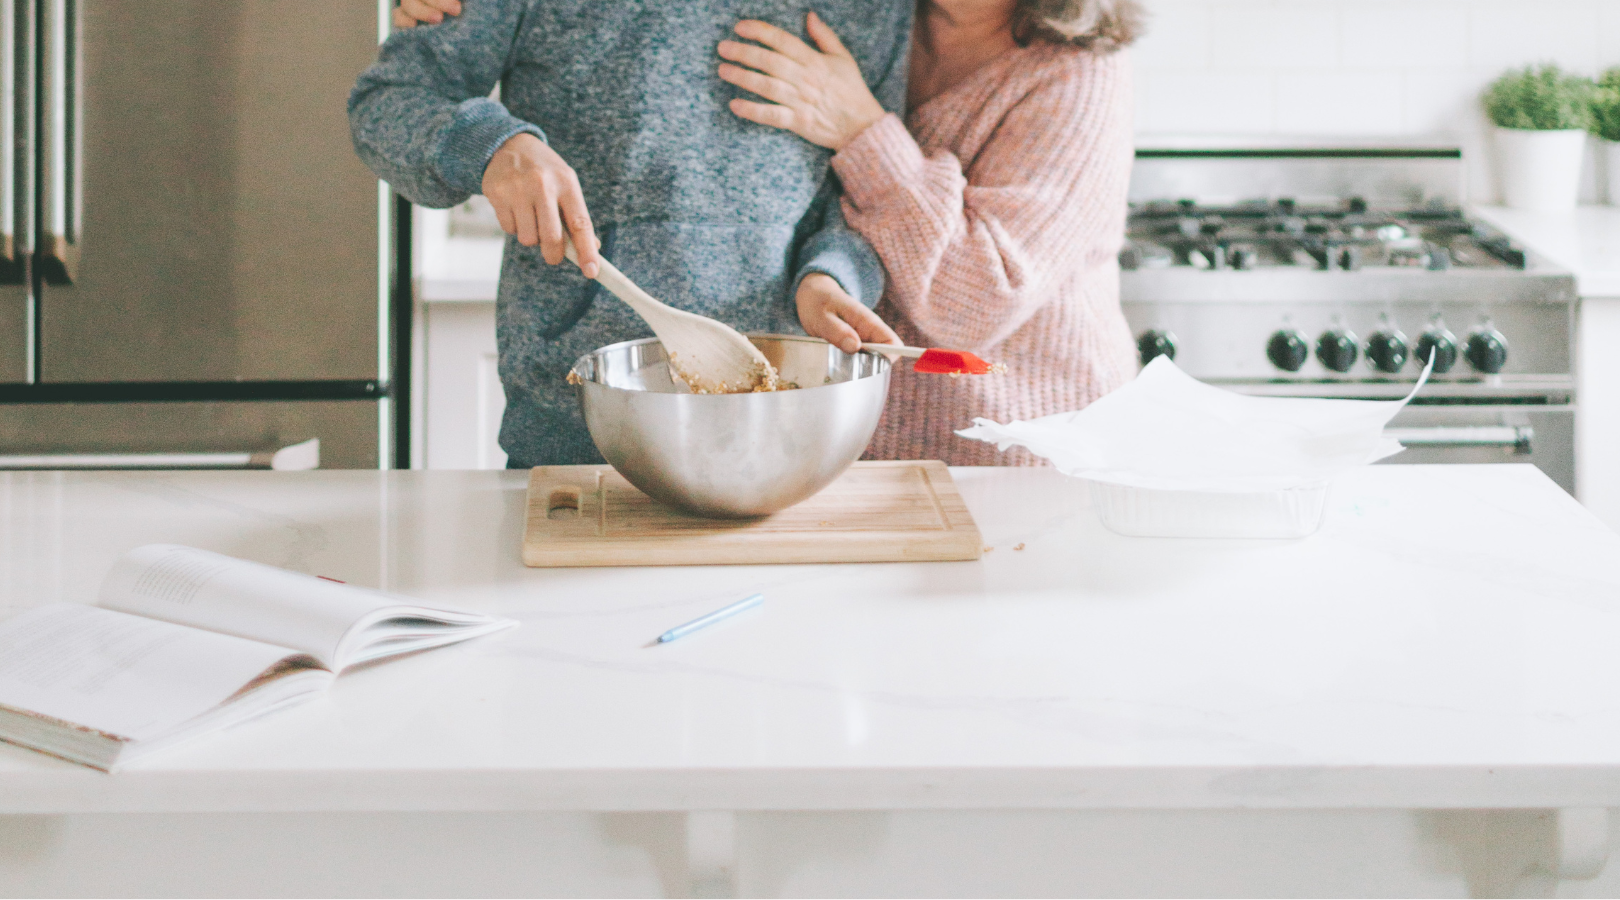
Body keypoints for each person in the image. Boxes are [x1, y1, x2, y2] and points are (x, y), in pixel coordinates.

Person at [352, 1, 907, 466]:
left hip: (785, 438)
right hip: (574, 435)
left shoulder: (877, 8)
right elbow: (388, 101)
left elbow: (866, 191)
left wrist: (830, 276)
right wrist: (492, 147)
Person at [715, 0, 1145, 465]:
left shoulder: (1080, 76)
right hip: (860, 458)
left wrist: (861, 131)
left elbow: (976, 298)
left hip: (1022, 462)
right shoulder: (875, 26)